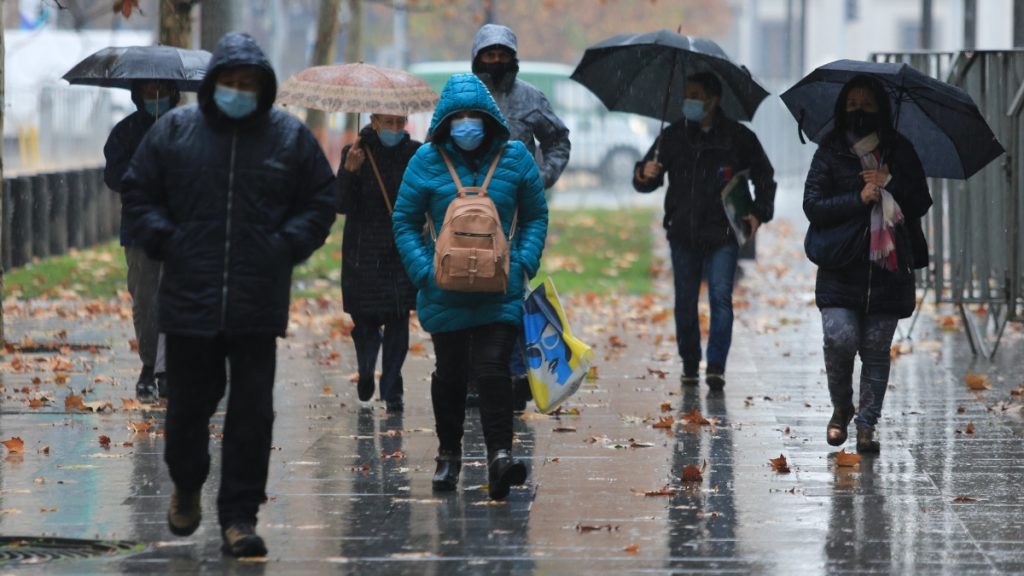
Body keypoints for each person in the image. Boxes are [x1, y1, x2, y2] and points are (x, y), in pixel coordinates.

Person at [122, 32, 336, 557]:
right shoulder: (174, 131)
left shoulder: (288, 137)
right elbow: (138, 190)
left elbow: (320, 199)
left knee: (252, 412)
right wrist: (168, 240)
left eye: (248, 84)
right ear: (213, 83)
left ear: (263, 89)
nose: (238, 90)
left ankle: (239, 517)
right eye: (229, 82)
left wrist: (286, 245)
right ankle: (188, 482)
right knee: (190, 407)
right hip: (189, 300)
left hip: (256, 301)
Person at [393, 73, 548, 500]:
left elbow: (536, 215)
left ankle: (500, 455)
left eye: (473, 116)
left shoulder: (515, 158)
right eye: (457, 116)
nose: (466, 124)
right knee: (451, 373)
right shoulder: (425, 161)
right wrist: (426, 271)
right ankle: (449, 455)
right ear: (445, 120)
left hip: (499, 287)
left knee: (494, 369)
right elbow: (405, 221)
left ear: (488, 118)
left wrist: (521, 264)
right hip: (445, 290)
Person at [803, 75, 931, 453]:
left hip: (887, 271)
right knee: (839, 338)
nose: (859, 111)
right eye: (852, 104)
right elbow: (813, 206)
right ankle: (842, 407)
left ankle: (866, 427)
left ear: (881, 109)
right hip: (841, 265)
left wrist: (892, 182)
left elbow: (921, 201)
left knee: (876, 350)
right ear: (842, 108)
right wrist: (858, 198)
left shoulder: (899, 150)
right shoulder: (830, 151)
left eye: (868, 104)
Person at [633, 72, 776, 390]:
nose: (689, 101)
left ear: (713, 100)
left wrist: (758, 214)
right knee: (684, 302)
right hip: (683, 232)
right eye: (687, 94)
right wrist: (645, 173)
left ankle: (715, 366)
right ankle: (689, 362)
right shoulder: (673, 137)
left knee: (720, 298)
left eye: (696, 95)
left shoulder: (738, 137)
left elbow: (765, 176)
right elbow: (646, 179)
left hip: (723, 234)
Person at [471, 23, 571, 410]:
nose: (495, 61)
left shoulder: (531, 98)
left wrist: (542, 178)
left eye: (502, 54)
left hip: (518, 217)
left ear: (512, 58)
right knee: (469, 294)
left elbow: (558, 140)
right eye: (488, 54)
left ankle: (515, 375)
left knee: (512, 292)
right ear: (478, 58)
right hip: (470, 216)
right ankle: (475, 377)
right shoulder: (467, 98)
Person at [337, 114, 421, 413]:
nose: (395, 129)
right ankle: (365, 368)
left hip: (400, 249)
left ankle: (392, 387)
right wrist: (348, 172)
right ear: (373, 121)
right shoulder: (356, 152)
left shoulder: (416, 153)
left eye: (400, 123)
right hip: (362, 252)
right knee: (365, 324)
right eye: (388, 122)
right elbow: (340, 204)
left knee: (399, 320)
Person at [104, 79, 179, 402]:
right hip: (139, 231)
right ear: (138, 93)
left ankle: (170, 369)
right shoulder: (125, 131)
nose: (156, 95)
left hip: (180, 228)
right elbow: (114, 176)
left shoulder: (187, 128)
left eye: (163, 88)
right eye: (150, 89)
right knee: (145, 300)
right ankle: (150, 364)